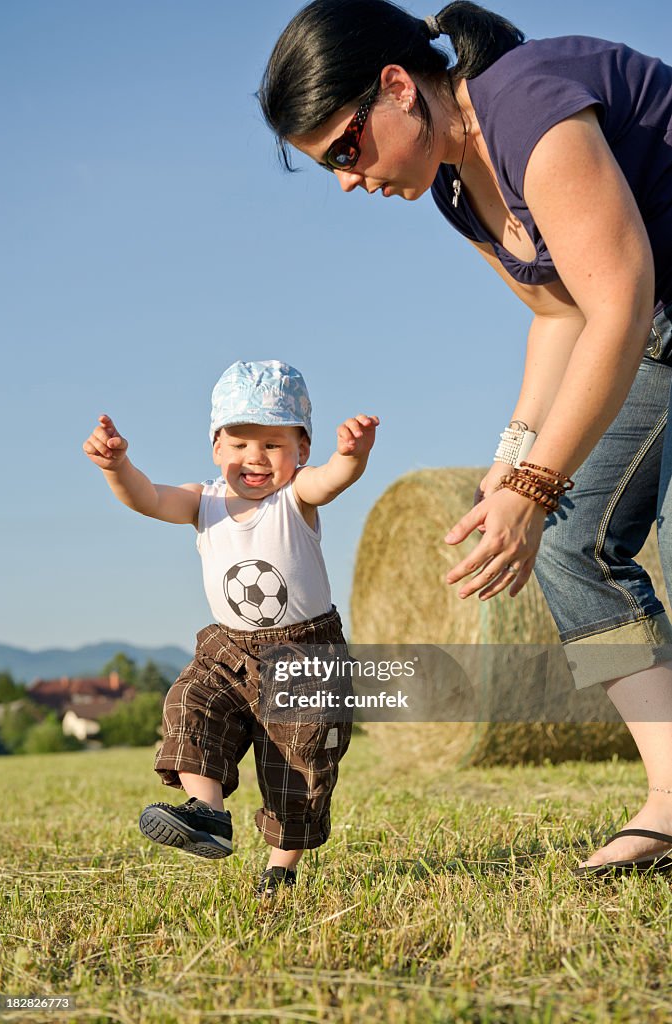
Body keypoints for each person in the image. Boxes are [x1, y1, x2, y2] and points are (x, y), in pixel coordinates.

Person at [259, 0, 672, 875]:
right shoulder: (452, 185)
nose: (346, 179)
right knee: (573, 551)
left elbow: (618, 302)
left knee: (556, 519)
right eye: (329, 165)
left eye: (344, 148)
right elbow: (557, 313)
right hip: (652, 328)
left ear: (398, 88)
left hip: (643, 317)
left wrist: (533, 486)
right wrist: (511, 459)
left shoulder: (525, 106)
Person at [83, 359, 379, 896]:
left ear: (302, 451)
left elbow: (333, 480)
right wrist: (115, 468)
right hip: (228, 650)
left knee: (298, 765)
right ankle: (207, 813)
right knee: (189, 702)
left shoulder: (297, 497)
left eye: (273, 444)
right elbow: (146, 498)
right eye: (239, 444)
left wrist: (351, 456)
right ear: (216, 447)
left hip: (305, 653)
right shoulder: (204, 501)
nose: (255, 458)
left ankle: (280, 870)